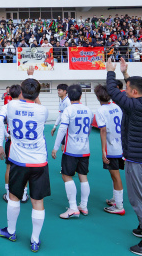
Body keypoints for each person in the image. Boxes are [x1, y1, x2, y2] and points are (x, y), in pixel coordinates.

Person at [106, 57, 142, 256]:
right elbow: (134, 89)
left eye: (128, 89)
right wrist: (125, 73)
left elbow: (112, 90)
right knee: (140, 199)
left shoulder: (133, 105)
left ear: (135, 93)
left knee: (139, 202)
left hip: (137, 161)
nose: (125, 92)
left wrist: (110, 71)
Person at [0, 73, 50, 252]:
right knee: (38, 202)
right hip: (39, 162)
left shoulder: (11, 105)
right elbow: (36, 103)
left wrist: (28, 79)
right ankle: (35, 240)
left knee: (14, 197)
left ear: (21, 91)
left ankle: (11, 231)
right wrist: (33, 81)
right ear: (37, 94)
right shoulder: (43, 110)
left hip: (19, 161)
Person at [51, 84, 93, 219]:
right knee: (83, 177)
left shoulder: (68, 110)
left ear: (68, 95)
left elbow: (62, 130)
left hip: (71, 150)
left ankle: (73, 207)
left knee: (66, 176)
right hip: (85, 149)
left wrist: (55, 147)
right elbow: (89, 130)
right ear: (81, 95)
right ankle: (84, 206)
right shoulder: (89, 110)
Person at [94, 82, 126, 215]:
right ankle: (115, 199)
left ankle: (119, 206)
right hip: (121, 145)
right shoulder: (117, 107)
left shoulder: (100, 111)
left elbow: (103, 130)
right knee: (115, 175)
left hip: (112, 148)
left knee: (115, 175)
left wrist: (103, 151)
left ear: (98, 97)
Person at [0, 84, 29, 204]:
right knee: (25, 167)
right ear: (21, 93)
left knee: (9, 167)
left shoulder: (6, 106)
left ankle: (8, 194)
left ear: (10, 94)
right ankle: (24, 194)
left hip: (11, 140)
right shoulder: (27, 106)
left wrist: (6, 135)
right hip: (24, 141)